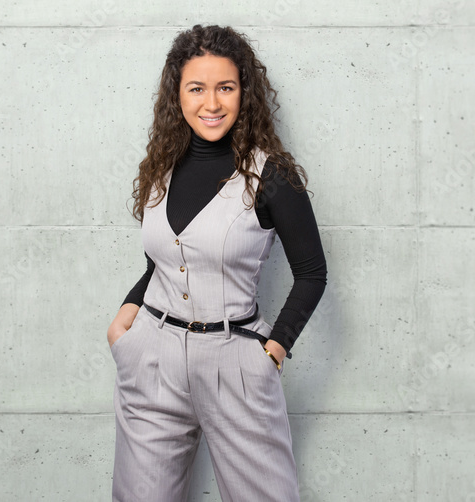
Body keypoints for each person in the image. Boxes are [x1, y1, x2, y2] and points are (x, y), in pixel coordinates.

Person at [107, 24, 328, 502]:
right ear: (178, 95)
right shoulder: (160, 167)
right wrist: (125, 321)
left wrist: (272, 351)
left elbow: (312, 274)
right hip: (151, 358)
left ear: (243, 93)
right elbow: (162, 263)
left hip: (235, 361)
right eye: (197, 88)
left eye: (225, 87)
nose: (212, 103)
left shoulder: (271, 175)